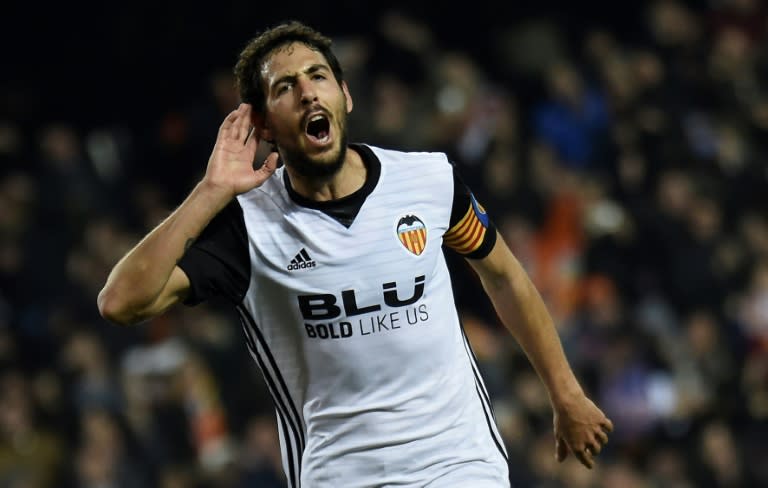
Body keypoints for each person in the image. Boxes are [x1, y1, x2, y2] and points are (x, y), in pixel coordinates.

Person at [98, 20, 613, 488]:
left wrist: (565, 393)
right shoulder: (247, 228)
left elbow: (503, 277)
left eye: (317, 76)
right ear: (263, 124)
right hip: (340, 475)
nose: (306, 92)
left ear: (344, 96)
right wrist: (210, 191)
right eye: (285, 87)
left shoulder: (427, 180)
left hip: (458, 463)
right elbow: (122, 302)